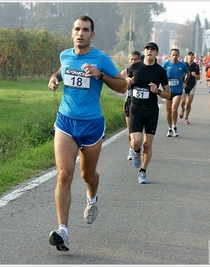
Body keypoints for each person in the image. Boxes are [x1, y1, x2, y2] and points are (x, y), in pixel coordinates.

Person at [47, 15, 127, 251]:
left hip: (91, 125)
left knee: (87, 176)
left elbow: (123, 85)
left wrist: (100, 75)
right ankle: (63, 230)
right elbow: (62, 70)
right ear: (72, 33)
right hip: (65, 123)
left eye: (85, 30)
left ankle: (92, 197)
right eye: (77, 29)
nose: (80, 33)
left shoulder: (100, 58)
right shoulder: (65, 54)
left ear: (92, 35)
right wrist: (54, 78)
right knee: (64, 174)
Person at [126, 42, 170, 184]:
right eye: (147, 49)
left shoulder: (160, 71)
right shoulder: (134, 67)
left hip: (151, 110)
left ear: (157, 53)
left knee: (148, 144)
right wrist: (128, 82)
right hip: (136, 109)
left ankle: (143, 172)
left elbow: (168, 94)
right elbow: (125, 85)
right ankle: (135, 151)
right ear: (144, 52)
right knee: (136, 142)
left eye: (152, 50)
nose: (149, 51)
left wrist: (157, 91)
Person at [162, 48, 189, 137]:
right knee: (168, 111)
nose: (174, 56)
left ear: (179, 56)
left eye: (176, 55)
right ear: (170, 56)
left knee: (174, 109)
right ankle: (169, 128)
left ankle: (175, 126)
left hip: (178, 91)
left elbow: (187, 73)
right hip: (168, 91)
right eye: (173, 55)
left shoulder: (182, 65)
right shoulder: (166, 64)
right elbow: (161, 74)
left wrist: (185, 82)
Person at [120, 50, 141, 160]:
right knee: (130, 129)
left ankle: (138, 146)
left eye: (135, 59)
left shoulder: (144, 71)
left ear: (140, 60)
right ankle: (131, 148)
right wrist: (127, 84)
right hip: (129, 102)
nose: (133, 61)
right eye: (131, 59)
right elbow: (120, 88)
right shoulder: (125, 72)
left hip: (142, 103)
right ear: (129, 60)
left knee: (139, 130)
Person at [179, 51, 200, 124]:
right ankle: (182, 109)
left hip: (192, 85)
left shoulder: (196, 66)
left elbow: (199, 77)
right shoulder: (183, 65)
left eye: (192, 56)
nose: (190, 57)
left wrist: (195, 75)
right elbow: (179, 74)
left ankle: (186, 118)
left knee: (189, 103)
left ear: (194, 57)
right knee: (183, 101)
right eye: (189, 55)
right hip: (184, 85)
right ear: (187, 57)